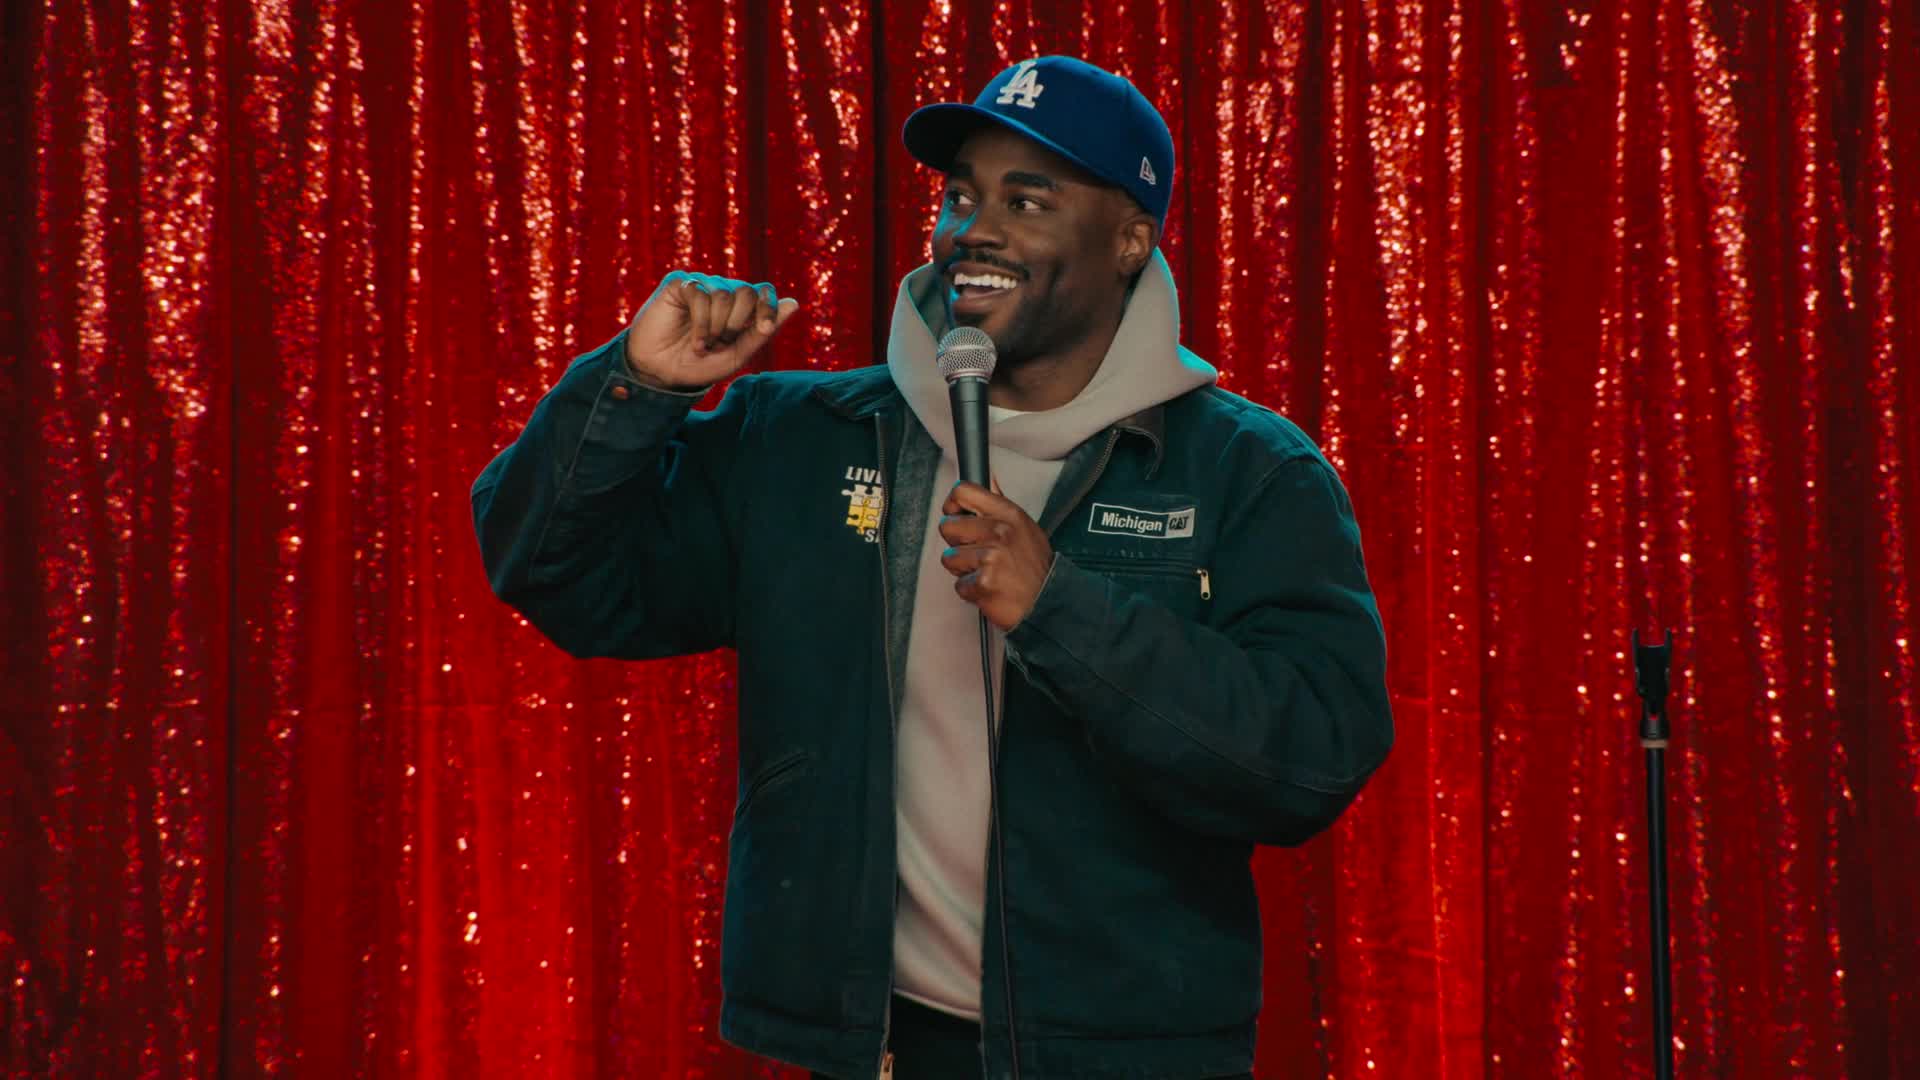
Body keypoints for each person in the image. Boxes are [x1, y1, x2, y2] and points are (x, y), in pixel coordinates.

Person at [473, 55, 1392, 1080]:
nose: (974, 230)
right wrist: (637, 390)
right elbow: (551, 569)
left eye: (1026, 200)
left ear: (1130, 241)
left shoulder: (1247, 471)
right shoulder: (805, 436)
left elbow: (1312, 755)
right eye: (960, 197)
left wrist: (1060, 611)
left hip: (1124, 1054)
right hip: (878, 1048)